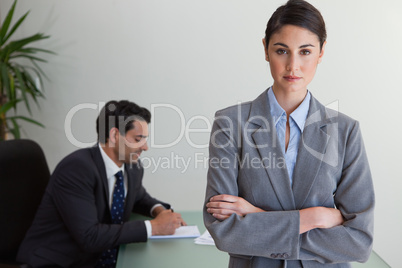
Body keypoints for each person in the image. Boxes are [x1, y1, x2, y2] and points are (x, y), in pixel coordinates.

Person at [203, 0, 374, 267]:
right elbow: (224, 233)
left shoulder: (345, 130)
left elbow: (358, 243)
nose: (293, 66)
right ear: (265, 50)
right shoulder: (230, 123)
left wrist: (257, 216)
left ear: (321, 52)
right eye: (282, 50)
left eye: (305, 51)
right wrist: (313, 217)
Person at [17, 100, 186, 267]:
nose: (146, 147)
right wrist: (153, 227)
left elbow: (138, 197)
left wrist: (161, 212)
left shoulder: (132, 167)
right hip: (58, 262)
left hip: (101, 259)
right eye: (138, 139)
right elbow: (89, 237)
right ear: (114, 136)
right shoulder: (77, 169)